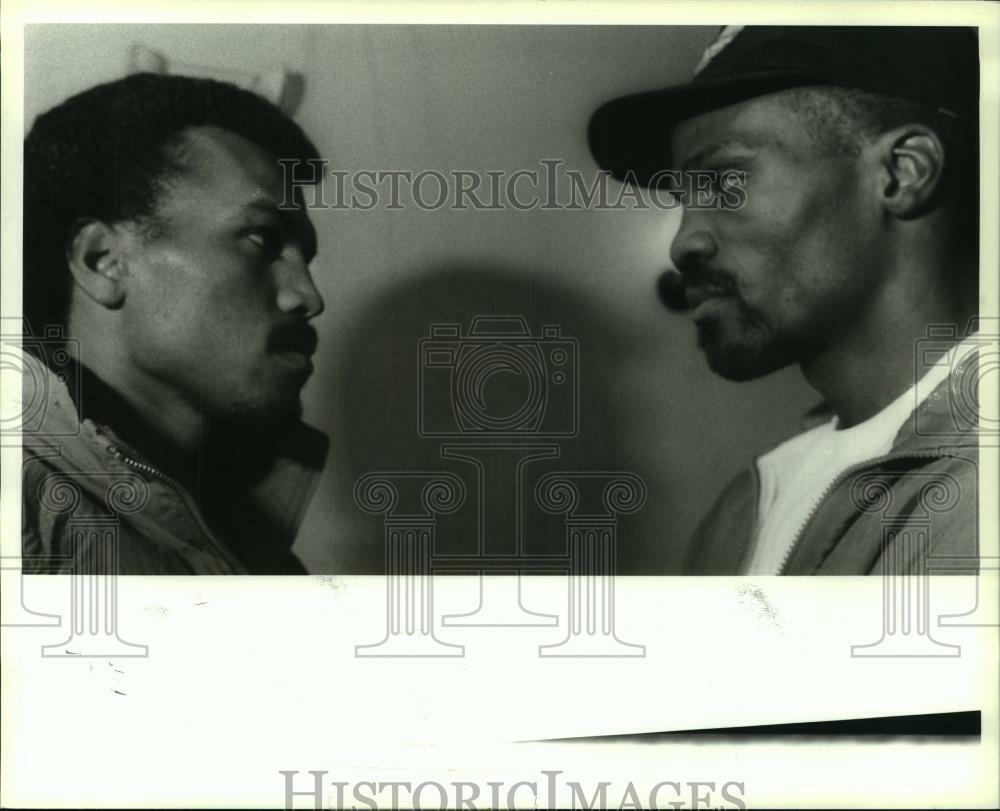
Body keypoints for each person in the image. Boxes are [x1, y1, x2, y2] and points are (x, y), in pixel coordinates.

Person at [588, 26, 982, 574]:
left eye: (725, 183)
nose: (683, 244)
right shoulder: (756, 497)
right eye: (683, 200)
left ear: (901, 173)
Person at [20, 73, 328, 574]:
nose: (308, 297)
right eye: (261, 240)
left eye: (305, 258)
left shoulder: (249, 540)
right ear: (103, 261)